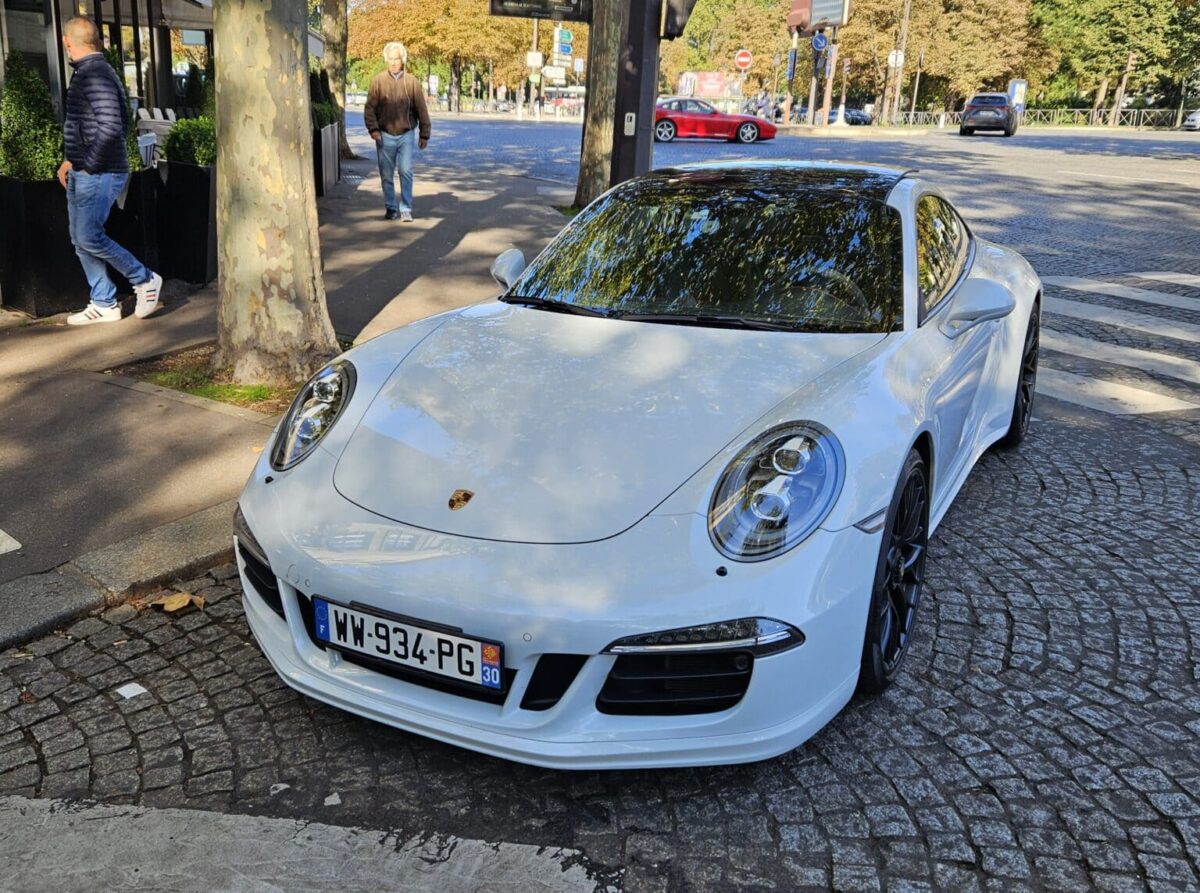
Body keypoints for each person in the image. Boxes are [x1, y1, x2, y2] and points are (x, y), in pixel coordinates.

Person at [57, 17, 162, 325]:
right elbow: (99, 123)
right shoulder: (91, 71)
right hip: (86, 169)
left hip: (98, 172)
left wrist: (89, 163)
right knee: (80, 239)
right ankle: (104, 303)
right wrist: (71, 159)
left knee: (88, 236)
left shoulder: (95, 73)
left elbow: (111, 126)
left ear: (66, 42)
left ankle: (144, 279)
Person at [363, 42, 431, 222]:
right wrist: (373, 129)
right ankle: (391, 207)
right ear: (386, 60)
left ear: (403, 60)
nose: (394, 62)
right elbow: (369, 108)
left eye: (397, 59)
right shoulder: (378, 81)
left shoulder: (411, 82)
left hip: (406, 134)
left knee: (405, 170)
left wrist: (424, 134)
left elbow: (421, 109)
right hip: (384, 134)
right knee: (386, 174)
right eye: (391, 59)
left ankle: (406, 208)